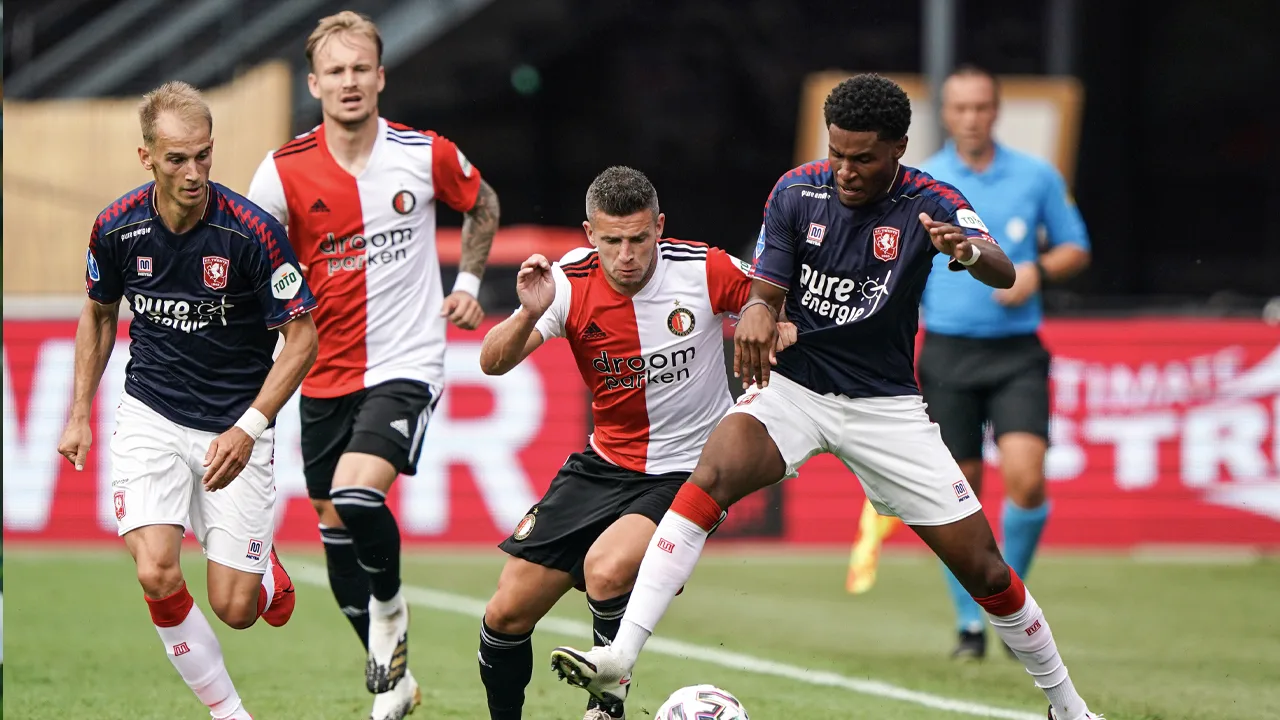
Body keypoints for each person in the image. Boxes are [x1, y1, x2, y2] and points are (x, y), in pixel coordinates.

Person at [550, 74, 1103, 720]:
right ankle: (619, 661)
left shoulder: (931, 200)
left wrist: (970, 253)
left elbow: (1001, 266)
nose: (845, 170)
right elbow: (766, 288)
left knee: (984, 568)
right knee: (714, 471)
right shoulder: (796, 191)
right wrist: (758, 311)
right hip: (796, 387)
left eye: (863, 157)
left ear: (898, 148)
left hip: (885, 406)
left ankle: (1068, 707)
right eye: (837, 152)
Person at [247, 11, 501, 720]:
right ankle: (396, 682)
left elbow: (482, 204)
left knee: (360, 497)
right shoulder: (283, 170)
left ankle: (390, 610)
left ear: (381, 76)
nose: (350, 81)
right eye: (337, 71)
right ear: (315, 83)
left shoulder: (423, 155)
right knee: (331, 524)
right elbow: (249, 254)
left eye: (362, 68)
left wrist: (469, 285)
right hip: (320, 373)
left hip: (405, 361)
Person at [476, 166, 794, 720]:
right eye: (612, 240)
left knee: (606, 567)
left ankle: (608, 706)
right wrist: (529, 310)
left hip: (691, 471)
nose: (627, 255)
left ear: (659, 228)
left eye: (639, 238)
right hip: (603, 465)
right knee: (505, 614)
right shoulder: (567, 283)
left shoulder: (704, 269)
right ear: (589, 233)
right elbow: (492, 362)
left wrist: (777, 322)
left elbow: (774, 301)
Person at [56, 81, 319, 720]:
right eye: (177, 159)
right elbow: (98, 314)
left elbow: (303, 337)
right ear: (147, 157)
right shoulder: (117, 229)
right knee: (155, 572)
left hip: (235, 425)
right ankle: (230, 713)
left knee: (236, 610)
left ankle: (263, 571)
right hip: (151, 411)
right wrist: (77, 412)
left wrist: (251, 426)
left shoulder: (251, 232)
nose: (195, 172)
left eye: (204, 155)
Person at [844, 65, 1092, 661]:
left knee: (1027, 480)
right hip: (947, 353)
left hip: (1015, 352)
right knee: (960, 495)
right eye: (960, 108)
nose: (971, 118)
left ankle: (1012, 597)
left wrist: (1035, 270)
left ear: (996, 111)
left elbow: (1076, 247)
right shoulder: (921, 183)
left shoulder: (1035, 176)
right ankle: (972, 626)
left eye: (981, 107)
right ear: (946, 116)